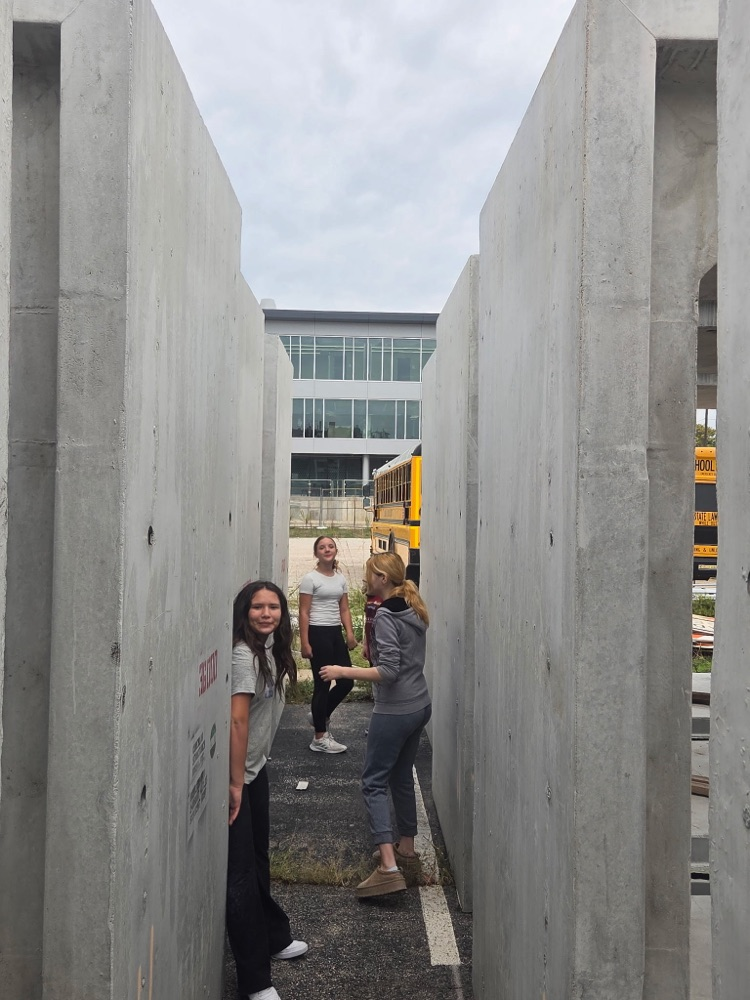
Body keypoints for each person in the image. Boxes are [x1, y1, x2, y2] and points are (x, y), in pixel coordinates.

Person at [320, 553, 431, 898]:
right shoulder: (413, 607)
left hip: (395, 710)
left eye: (370, 575)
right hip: (420, 705)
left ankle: (388, 867)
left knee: (372, 782)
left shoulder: (385, 614)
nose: (367, 581)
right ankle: (407, 851)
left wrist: (341, 671)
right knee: (399, 777)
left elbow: (389, 671)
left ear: (382, 577)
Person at [227, 580, 308, 1000]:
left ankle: (274, 937)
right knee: (239, 879)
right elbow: (237, 721)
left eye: (273, 606)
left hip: (255, 773)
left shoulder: (272, 647)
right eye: (257, 607)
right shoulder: (244, 655)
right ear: (245, 612)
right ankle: (255, 982)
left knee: (258, 860)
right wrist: (236, 783)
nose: (265, 613)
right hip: (240, 778)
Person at [298, 536, 357, 753]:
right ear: (316, 553)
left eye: (330, 546)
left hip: (334, 632)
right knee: (322, 684)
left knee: (346, 681)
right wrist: (305, 642)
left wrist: (349, 634)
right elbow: (303, 612)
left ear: (335, 551)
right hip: (317, 632)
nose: (327, 549)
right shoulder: (310, 579)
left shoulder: (340, 578)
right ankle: (319, 738)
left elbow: (344, 609)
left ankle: (318, 716)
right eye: (322, 547)